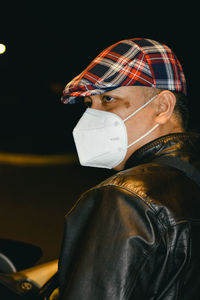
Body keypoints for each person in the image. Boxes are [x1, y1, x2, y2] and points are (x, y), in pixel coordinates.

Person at [58, 38, 200, 299]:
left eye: (108, 99)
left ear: (162, 107)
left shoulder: (126, 199)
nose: (92, 116)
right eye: (90, 104)